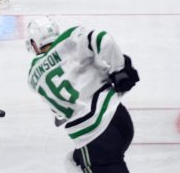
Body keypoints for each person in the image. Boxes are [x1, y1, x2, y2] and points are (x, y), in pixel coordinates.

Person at [25, 16, 139, 173]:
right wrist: (119, 70)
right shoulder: (69, 39)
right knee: (75, 161)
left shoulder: (33, 78)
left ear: (34, 43)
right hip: (119, 117)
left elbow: (60, 115)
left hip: (95, 136)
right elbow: (102, 39)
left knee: (81, 162)